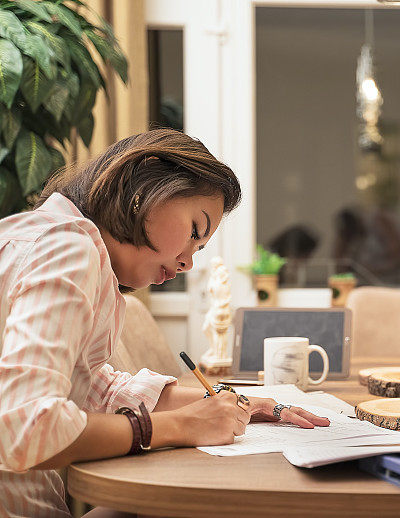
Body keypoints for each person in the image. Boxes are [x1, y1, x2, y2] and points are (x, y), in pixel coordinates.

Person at [0, 129, 329, 517]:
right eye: (194, 231)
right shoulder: (68, 248)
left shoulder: (46, 237)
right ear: (146, 189)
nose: (189, 262)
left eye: (199, 248)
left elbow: (94, 390)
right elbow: (27, 429)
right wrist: (180, 426)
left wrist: (238, 403)